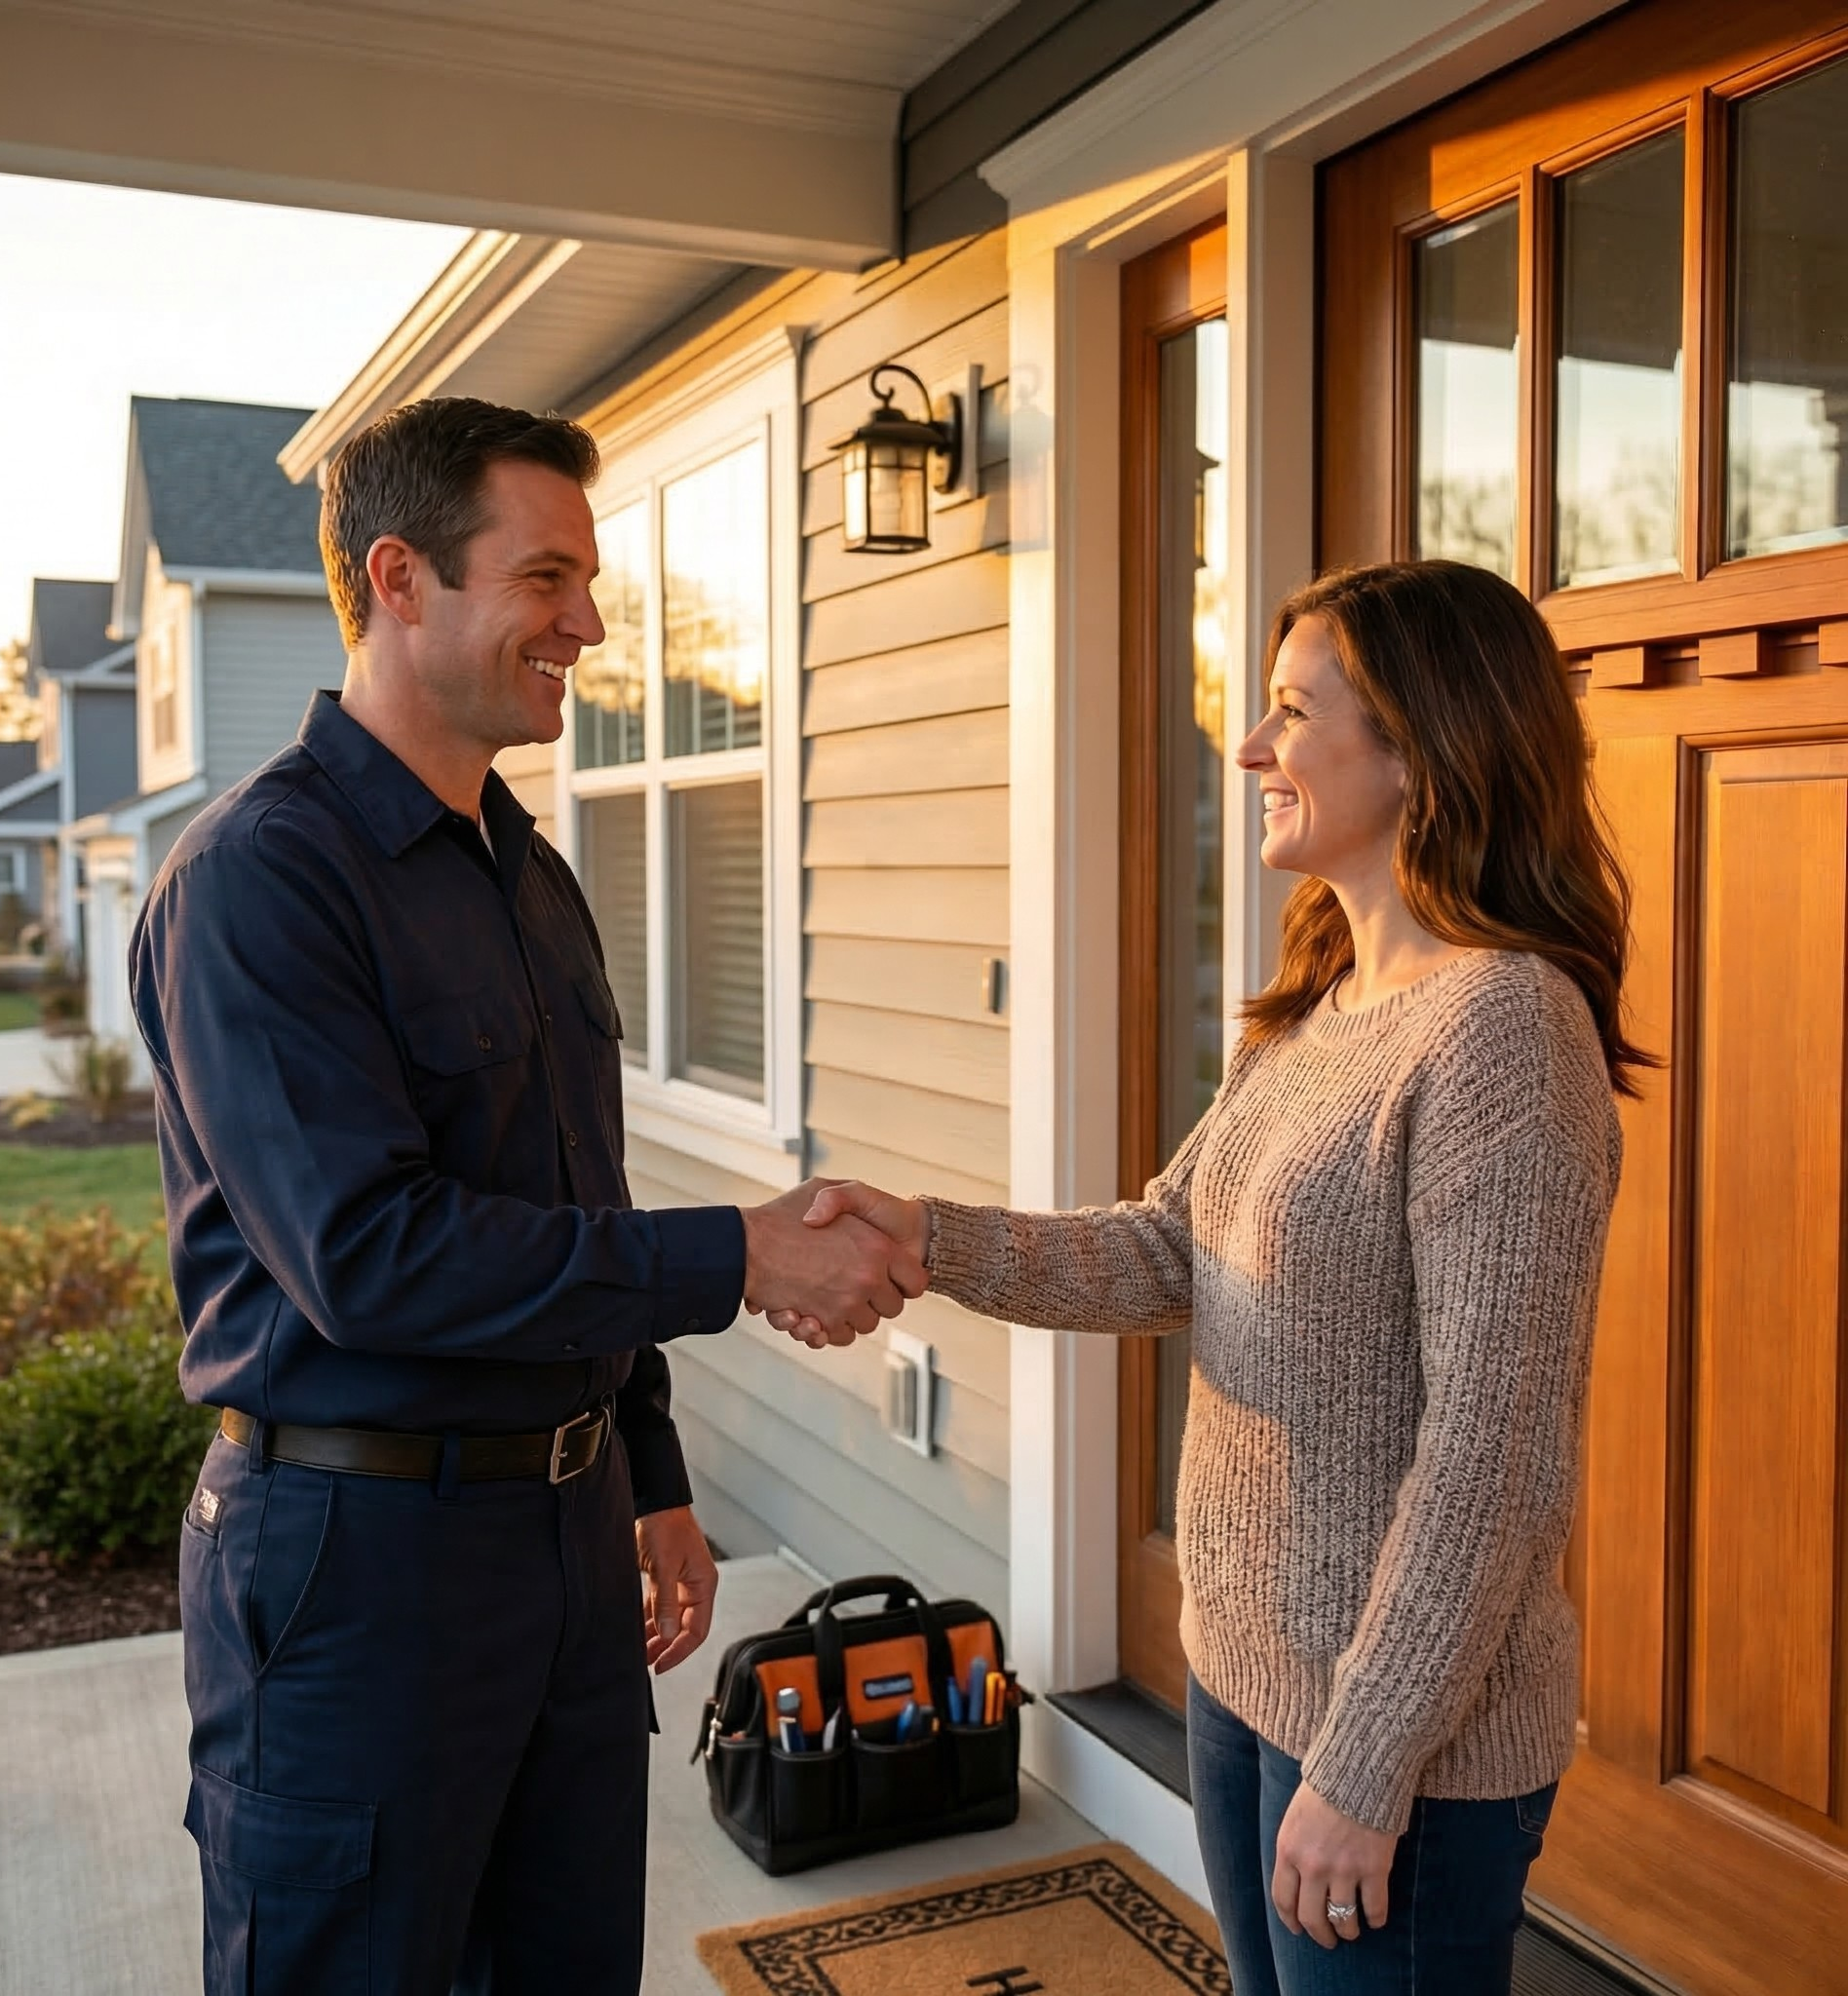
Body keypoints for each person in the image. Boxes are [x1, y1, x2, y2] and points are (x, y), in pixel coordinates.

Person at [131, 396, 918, 1996]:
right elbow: (372, 1255)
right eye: (547, 577)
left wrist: (646, 1462)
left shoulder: (530, 874)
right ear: (402, 578)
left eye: (589, 579)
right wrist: (745, 1254)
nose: (591, 622)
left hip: (559, 1549)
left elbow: (571, 1188)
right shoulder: (256, 885)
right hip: (356, 1568)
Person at [777, 560, 1643, 1994]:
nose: (1248, 748)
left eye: (1292, 714)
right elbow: (1169, 1248)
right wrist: (923, 1236)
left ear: (1425, 752)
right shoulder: (1316, 1009)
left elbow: (1494, 1457)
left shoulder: (1504, 1034)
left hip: (1394, 1740)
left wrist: (1365, 1767)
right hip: (1244, 1683)